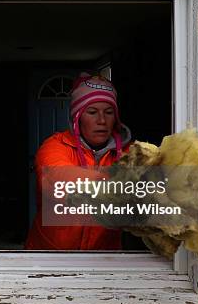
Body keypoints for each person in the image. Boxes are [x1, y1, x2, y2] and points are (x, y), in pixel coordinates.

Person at [25, 73, 132, 250]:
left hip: (105, 259)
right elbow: (58, 181)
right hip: (49, 256)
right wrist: (122, 184)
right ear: (77, 117)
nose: (102, 120)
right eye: (92, 112)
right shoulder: (54, 146)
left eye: (109, 112)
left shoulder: (132, 153)